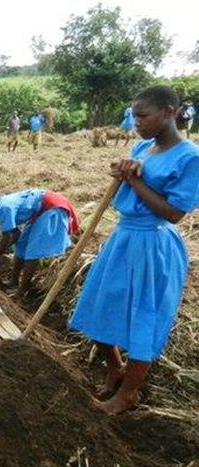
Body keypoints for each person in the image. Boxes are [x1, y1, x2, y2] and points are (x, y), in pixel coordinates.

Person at [69, 85, 199, 415]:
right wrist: (123, 170)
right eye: (133, 115)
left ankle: (128, 393)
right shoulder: (142, 146)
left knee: (145, 315)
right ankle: (115, 367)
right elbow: (128, 183)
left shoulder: (189, 157)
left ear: (169, 112)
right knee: (99, 303)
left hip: (154, 244)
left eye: (142, 115)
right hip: (123, 237)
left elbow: (174, 213)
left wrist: (135, 181)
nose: (135, 122)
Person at [0, 185, 79, 301]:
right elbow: (15, 233)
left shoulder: (4, 207)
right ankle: (13, 281)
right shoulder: (1, 205)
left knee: (33, 252)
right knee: (21, 244)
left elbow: (7, 236)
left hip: (51, 208)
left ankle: (22, 291)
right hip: (40, 209)